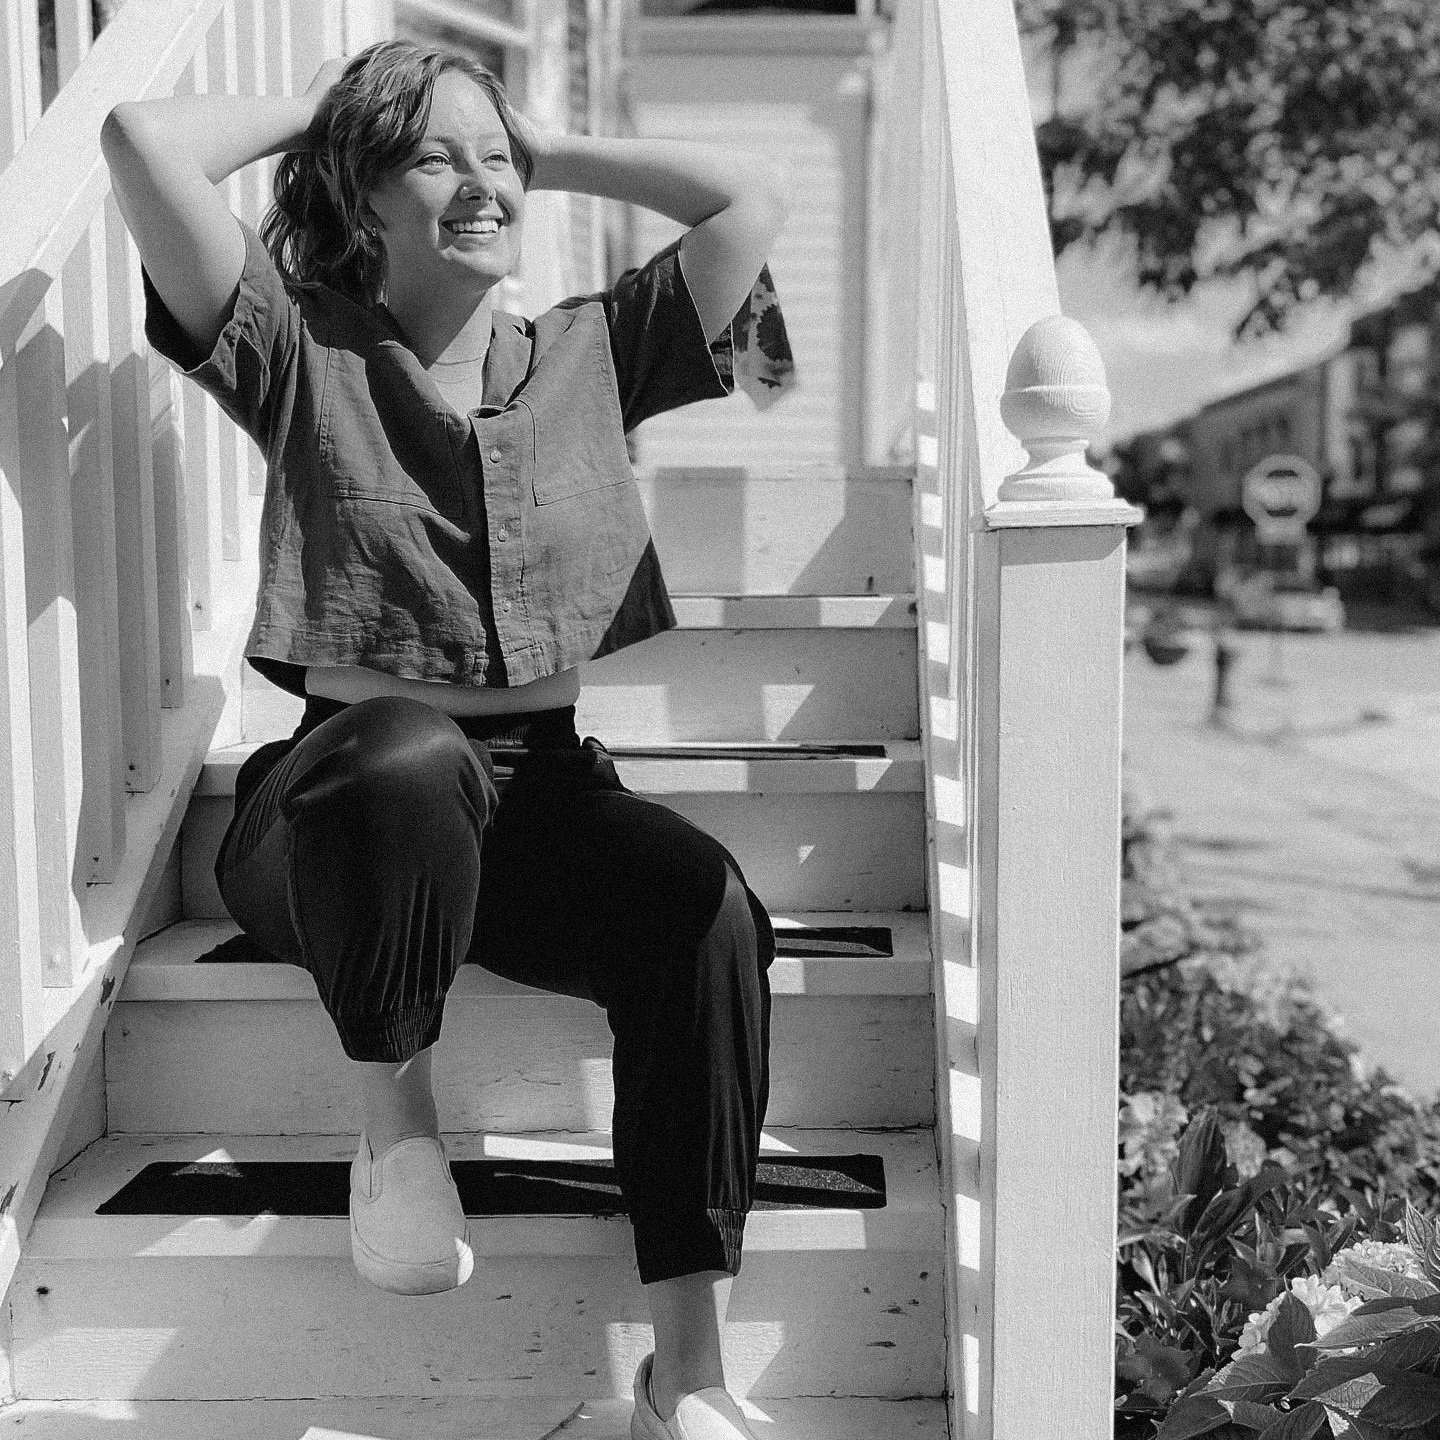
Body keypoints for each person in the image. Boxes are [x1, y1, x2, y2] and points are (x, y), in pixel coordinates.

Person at [100, 38, 793, 1440]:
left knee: (709, 913)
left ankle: (689, 1373)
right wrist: (351, 108)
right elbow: (138, 137)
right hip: (337, 803)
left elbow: (745, 205)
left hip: (539, 796)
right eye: (435, 159)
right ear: (363, 197)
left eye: (495, 162)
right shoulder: (299, 343)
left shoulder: (598, 351)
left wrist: (519, 134)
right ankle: (397, 1136)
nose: (481, 184)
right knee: (409, 752)